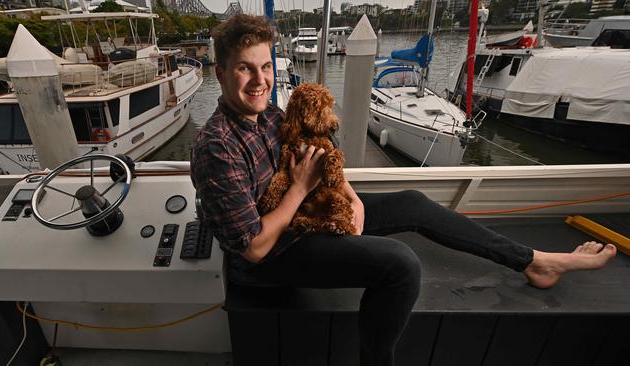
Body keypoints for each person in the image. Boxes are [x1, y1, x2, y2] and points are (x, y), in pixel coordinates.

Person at [190, 14, 617, 366]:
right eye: (245, 68)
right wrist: (301, 190)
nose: (259, 80)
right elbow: (254, 249)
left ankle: (534, 262)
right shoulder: (216, 148)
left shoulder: (268, 115)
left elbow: (319, 159)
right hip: (271, 257)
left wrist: (352, 201)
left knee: (413, 203)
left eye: (265, 67)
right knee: (399, 264)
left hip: (304, 214)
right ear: (222, 72)